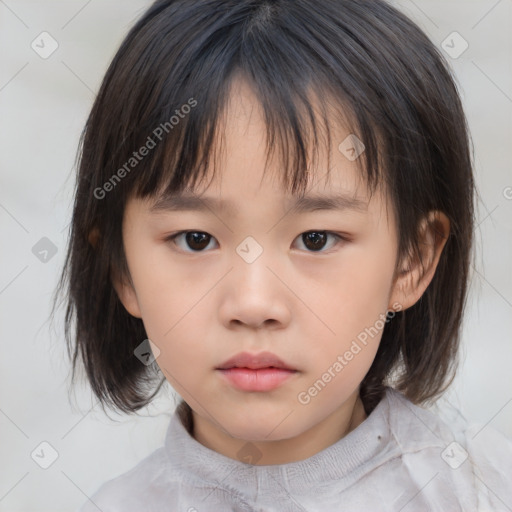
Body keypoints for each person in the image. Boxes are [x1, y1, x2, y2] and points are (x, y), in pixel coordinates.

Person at [53, 0, 512, 510]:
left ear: (412, 260)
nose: (253, 304)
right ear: (122, 269)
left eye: (316, 239)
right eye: (195, 239)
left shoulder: (482, 492)